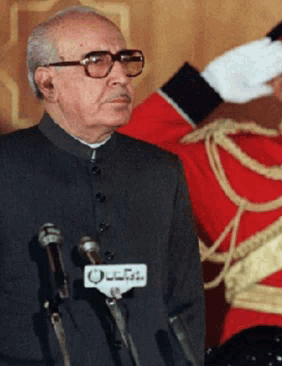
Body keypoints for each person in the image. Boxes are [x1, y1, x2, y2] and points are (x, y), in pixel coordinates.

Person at [118, 0, 282, 362]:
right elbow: (121, 153)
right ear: (279, 85)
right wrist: (205, 88)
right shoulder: (230, 156)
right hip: (261, 351)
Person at [0, 6, 204, 365]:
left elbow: (184, 304)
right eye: (97, 62)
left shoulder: (161, 170)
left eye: (125, 61)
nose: (121, 77)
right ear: (48, 82)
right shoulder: (6, 164)